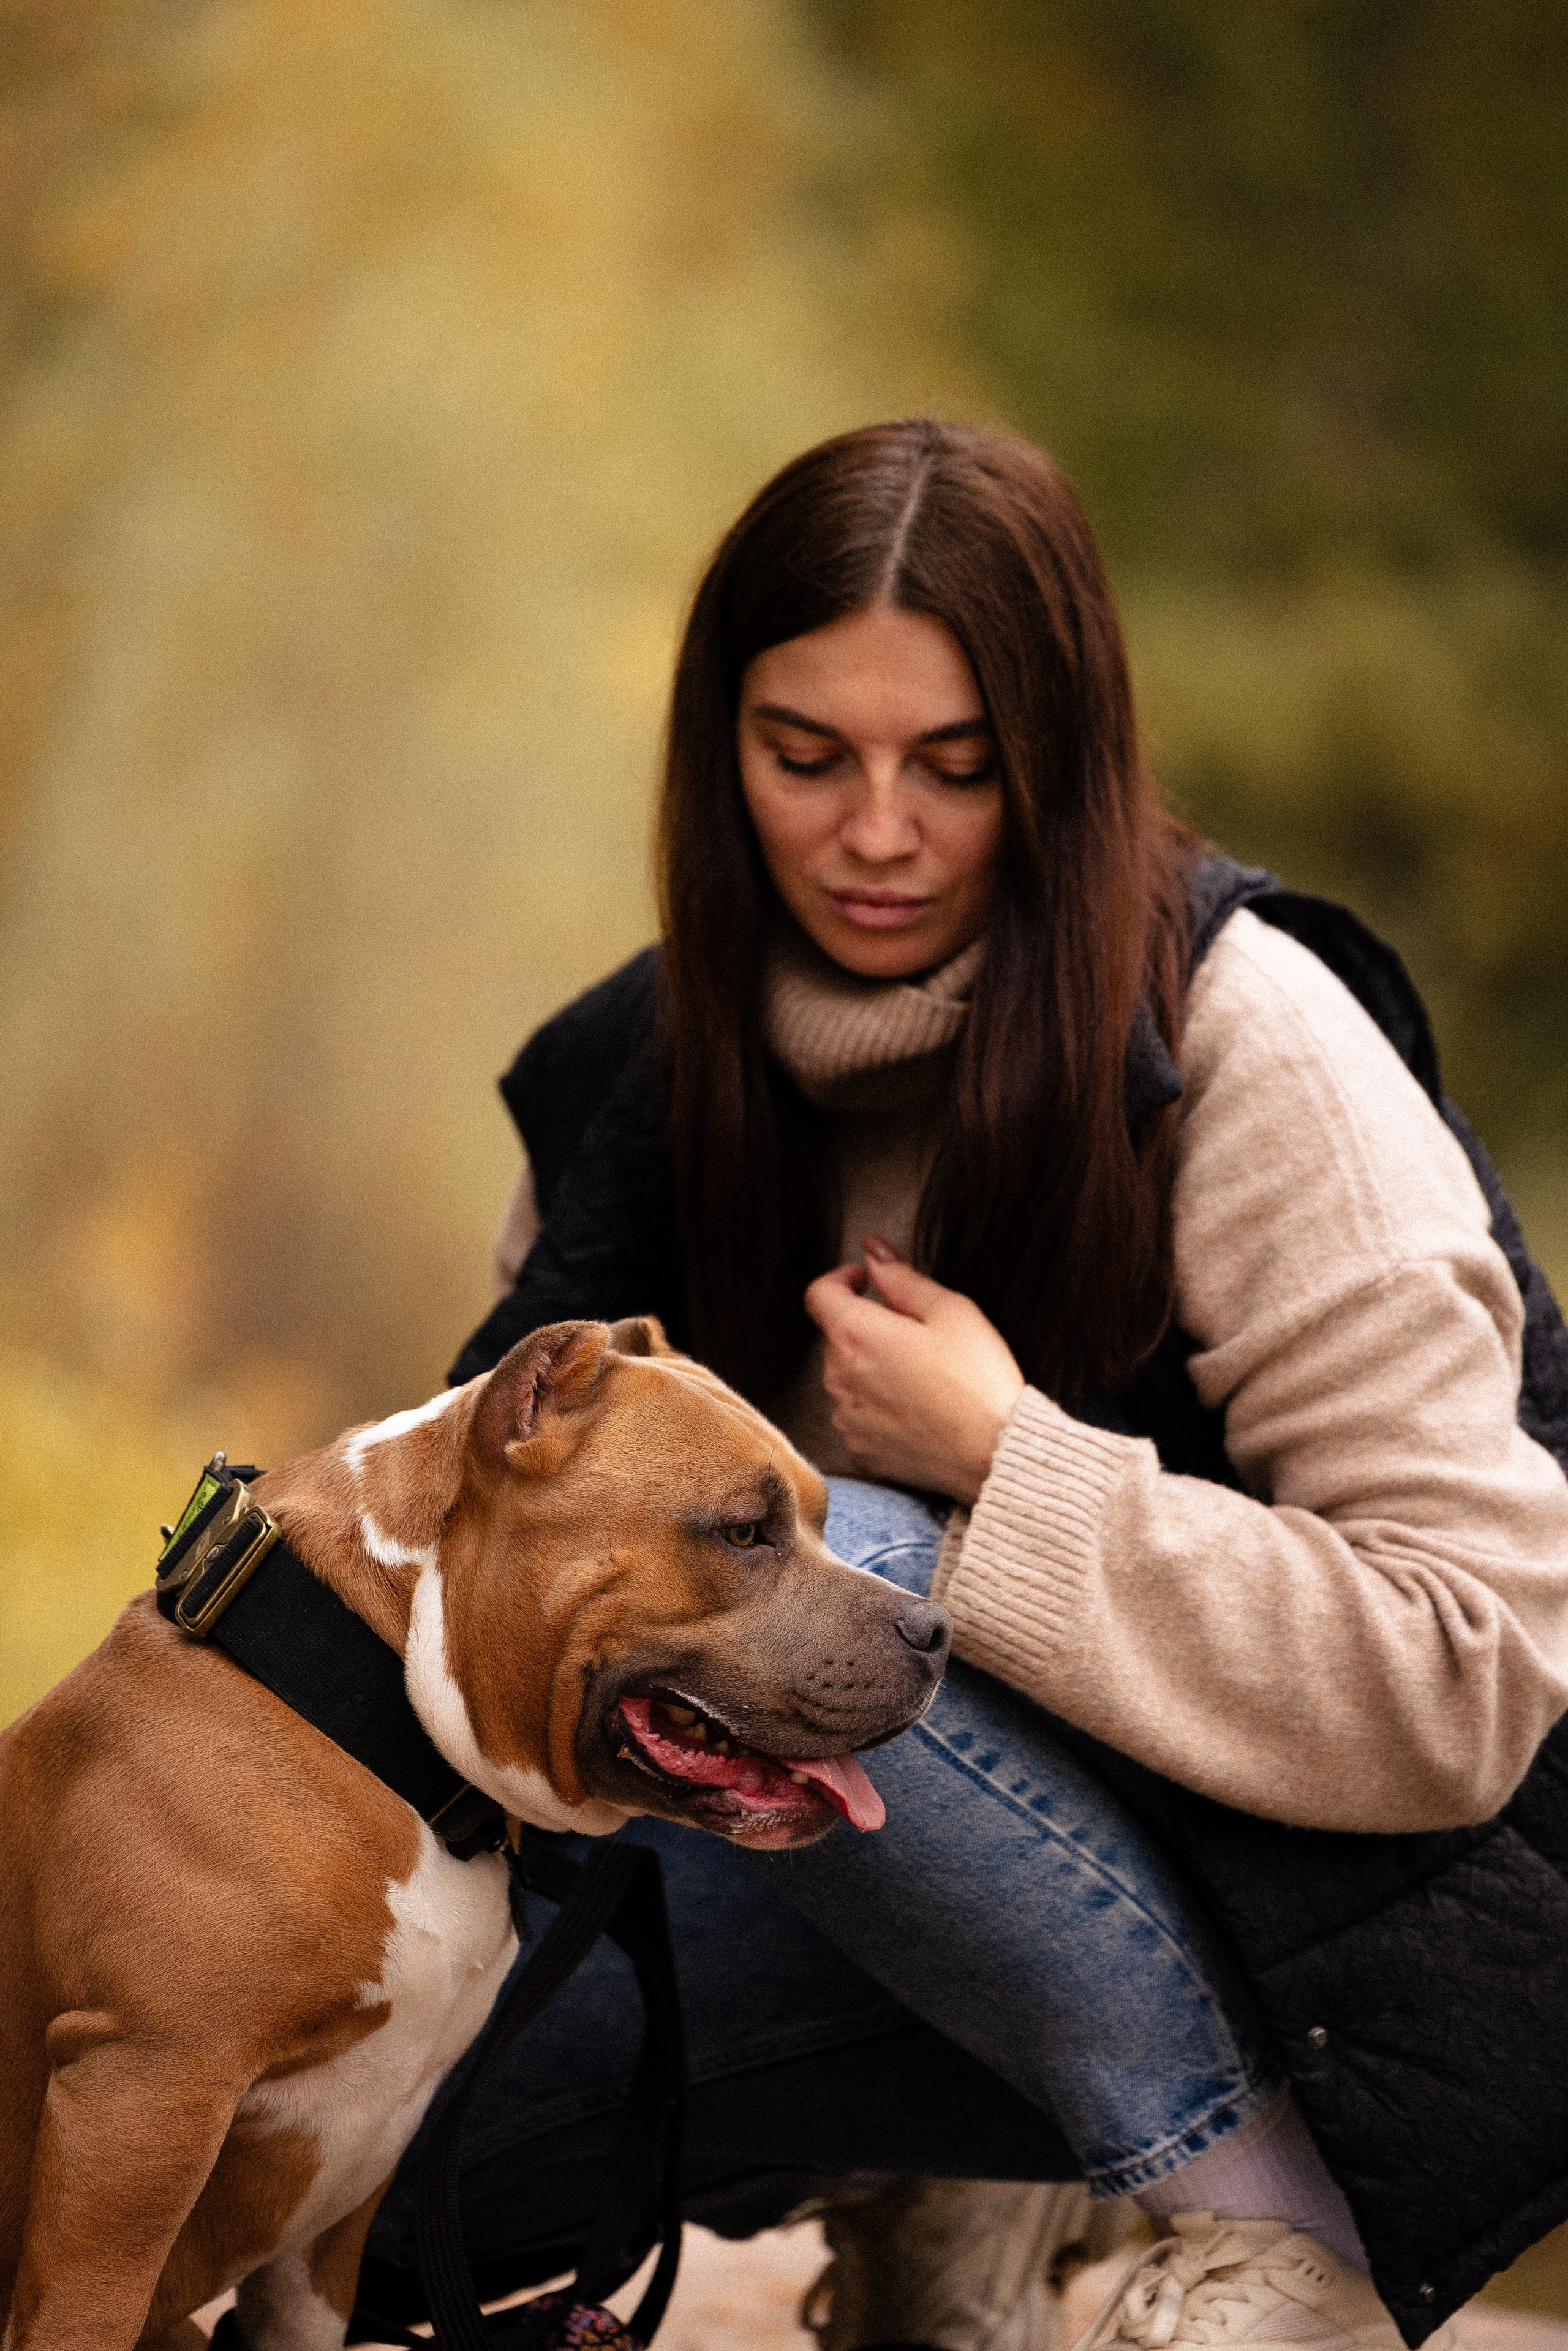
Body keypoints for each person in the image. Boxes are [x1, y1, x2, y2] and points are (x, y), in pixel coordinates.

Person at [363, 421, 1568, 2351]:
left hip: (1342, 1941)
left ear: (1062, 761)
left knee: (845, 1563)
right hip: (839, 1870)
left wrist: (1017, 1469)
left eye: (958, 764)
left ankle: (1273, 2226)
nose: (875, 835)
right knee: (349, 2174)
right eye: (804, 756)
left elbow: (1477, 1672)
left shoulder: (1256, 1050)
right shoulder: (638, 1080)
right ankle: (961, 2180)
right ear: (717, 749)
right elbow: (471, 1586)